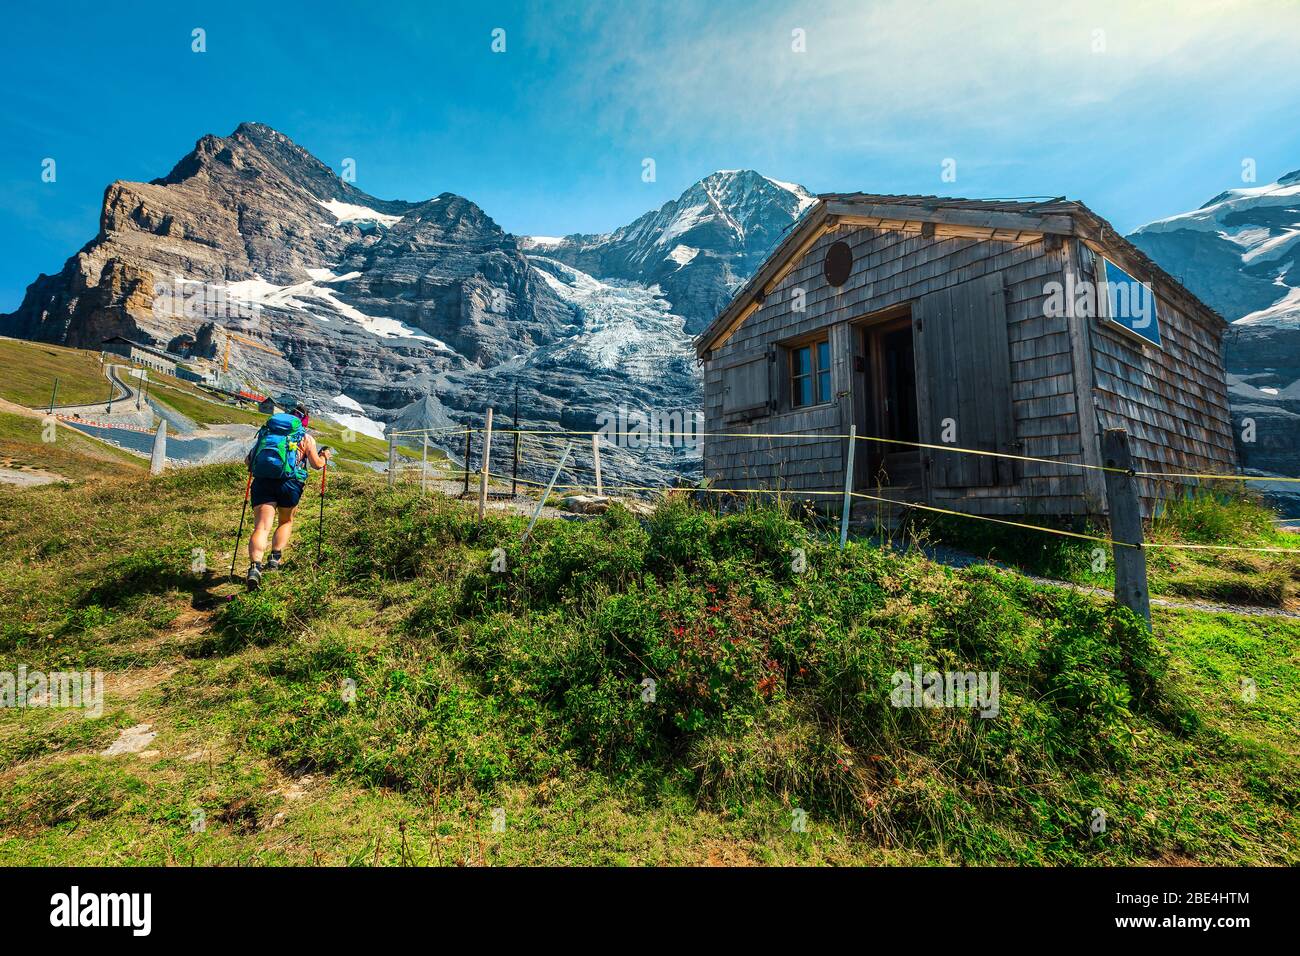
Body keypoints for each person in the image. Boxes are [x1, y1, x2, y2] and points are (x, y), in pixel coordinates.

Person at [244, 401, 331, 589]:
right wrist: (324, 457)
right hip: (289, 484)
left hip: (263, 482)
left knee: (261, 527)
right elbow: (316, 464)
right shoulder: (305, 437)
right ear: (303, 421)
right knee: (285, 521)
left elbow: (248, 461)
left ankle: (254, 568)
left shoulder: (267, 433)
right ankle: (274, 559)